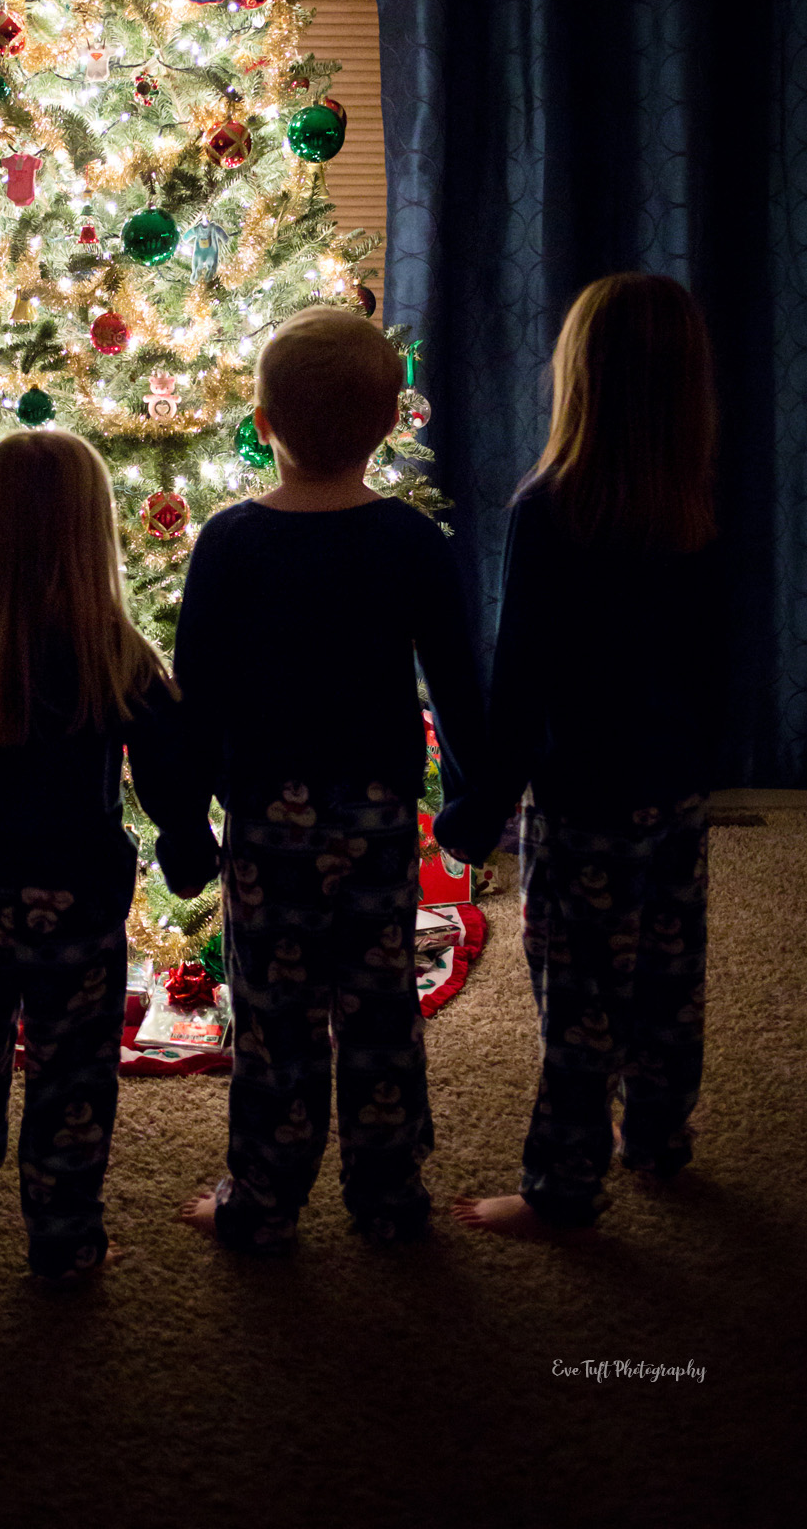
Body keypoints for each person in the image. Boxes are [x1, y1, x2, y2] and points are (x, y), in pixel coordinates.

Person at [173, 307, 487, 1251]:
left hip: (269, 824)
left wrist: (184, 823)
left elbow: (195, 698)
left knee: (275, 1017)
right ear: (392, 421)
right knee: (379, 1005)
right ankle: (389, 1199)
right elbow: (460, 685)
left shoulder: (229, 542)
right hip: (379, 822)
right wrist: (476, 799)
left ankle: (262, 1200)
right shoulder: (410, 542)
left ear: (260, 424)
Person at [0, 430, 217, 1280]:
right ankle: (63, 1237)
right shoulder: (118, 652)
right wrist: (186, 853)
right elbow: (169, 778)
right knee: (73, 1075)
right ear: (93, 532)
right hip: (80, 909)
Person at [449, 273, 722, 1237]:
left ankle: (562, 1189)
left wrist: (477, 811)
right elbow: (716, 661)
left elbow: (520, 683)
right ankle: (656, 1137)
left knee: (578, 1001)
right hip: (674, 793)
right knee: (665, 977)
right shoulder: (697, 502)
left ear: (581, 378)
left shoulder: (553, 507)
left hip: (585, 802)